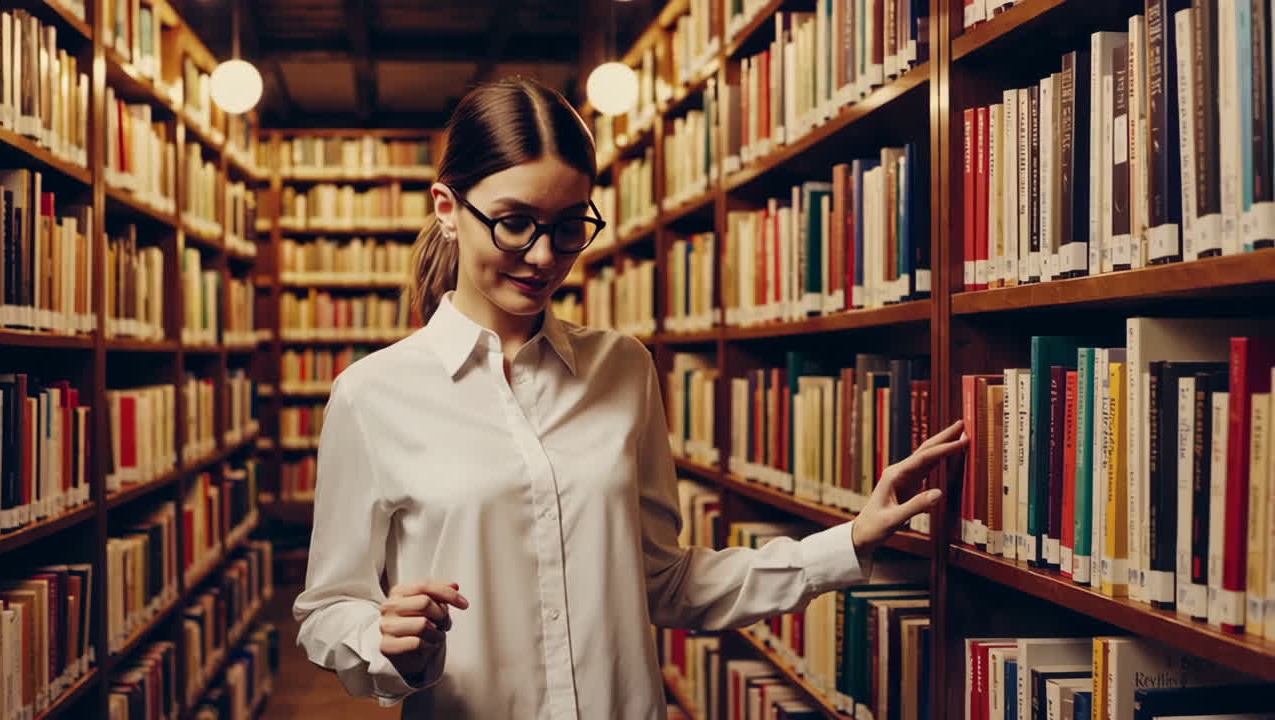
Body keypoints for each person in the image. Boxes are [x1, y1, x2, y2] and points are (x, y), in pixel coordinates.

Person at [292, 78, 967, 720]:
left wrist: (847, 542)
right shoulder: (371, 395)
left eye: (566, 227)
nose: (542, 257)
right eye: (514, 222)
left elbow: (665, 581)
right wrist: (387, 641)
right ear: (447, 208)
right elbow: (327, 609)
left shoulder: (622, 368)